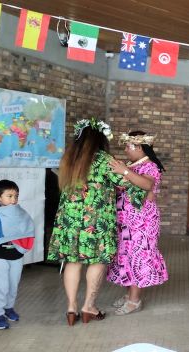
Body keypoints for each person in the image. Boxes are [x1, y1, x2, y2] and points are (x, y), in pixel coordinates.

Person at [47, 118, 144, 326]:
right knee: (96, 261)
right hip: (97, 219)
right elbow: (127, 185)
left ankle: (71, 308)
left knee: (72, 261)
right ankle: (88, 306)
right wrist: (144, 191)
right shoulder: (104, 159)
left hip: (69, 219)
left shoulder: (68, 158)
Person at [106, 131, 169, 315]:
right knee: (126, 257)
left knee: (138, 258)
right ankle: (129, 295)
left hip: (142, 222)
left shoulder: (151, 167)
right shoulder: (131, 165)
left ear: (140, 147)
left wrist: (124, 171)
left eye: (128, 146)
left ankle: (135, 300)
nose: (126, 150)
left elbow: (147, 185)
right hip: (126, 221)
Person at [0, 180, 35, 330]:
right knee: (1, 286)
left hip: (16, 255)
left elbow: (27, 229)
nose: (14, 199)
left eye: (16, 196)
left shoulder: (21, 213)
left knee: (13, 284)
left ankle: (8, 308)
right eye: (9, 196)